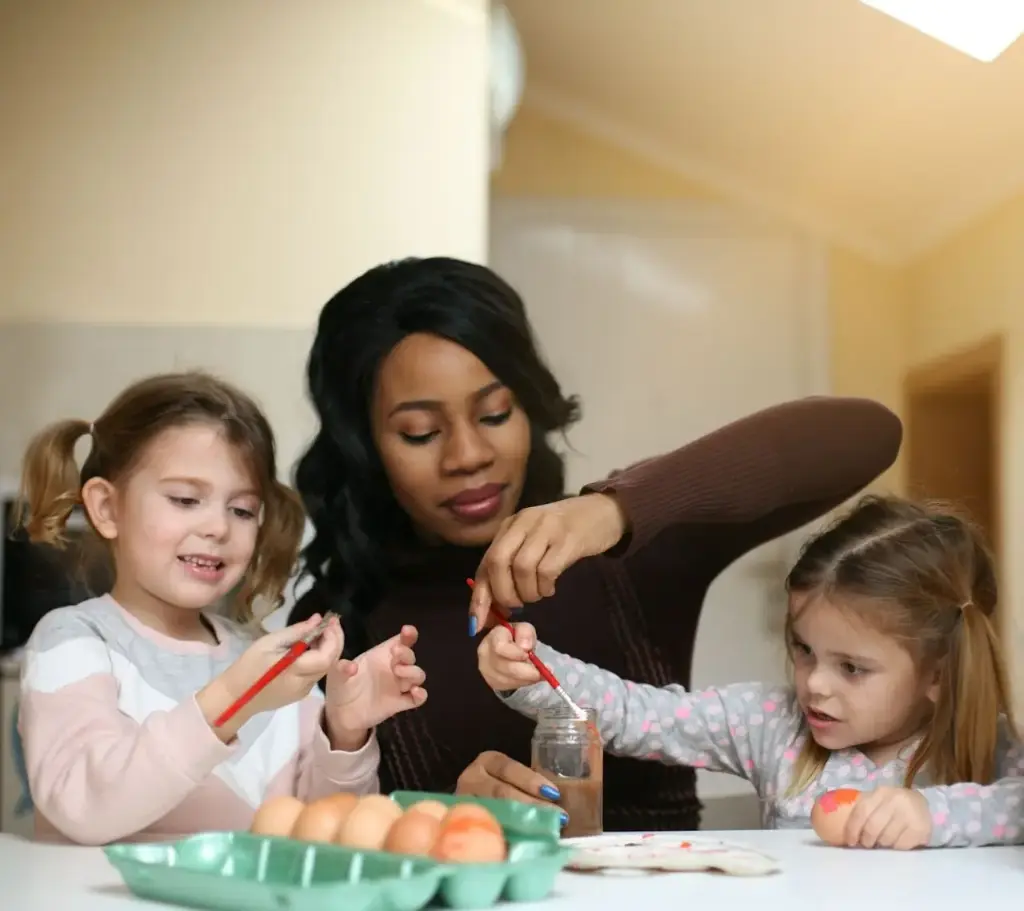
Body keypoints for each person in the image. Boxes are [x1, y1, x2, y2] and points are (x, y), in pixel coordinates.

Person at [287, 255, 902, 832]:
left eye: (496, 415)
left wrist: (618, 507)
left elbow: (868, 434)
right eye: (420, 433)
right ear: (364, 446)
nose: (469, 456)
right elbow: (319, 831)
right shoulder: (335, 628)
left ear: (530, 408)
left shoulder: (630, 551)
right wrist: (436, 819)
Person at [16, 371, 427, 845]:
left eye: (242, 509)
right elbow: (84, 808)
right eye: (186, 499)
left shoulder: (257, 660)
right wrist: (233, 698)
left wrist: (344, 730)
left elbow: (320, 831)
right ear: (107, 508)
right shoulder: (74, 641)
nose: (217, 527)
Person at [478, 495, 1023, 849]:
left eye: (852, 668)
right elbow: (642, 714)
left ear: (939, 674)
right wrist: (532, 670)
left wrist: (933, 815)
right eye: (803, 649)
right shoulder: (774, 724)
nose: (814, 683)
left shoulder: (989, 744)